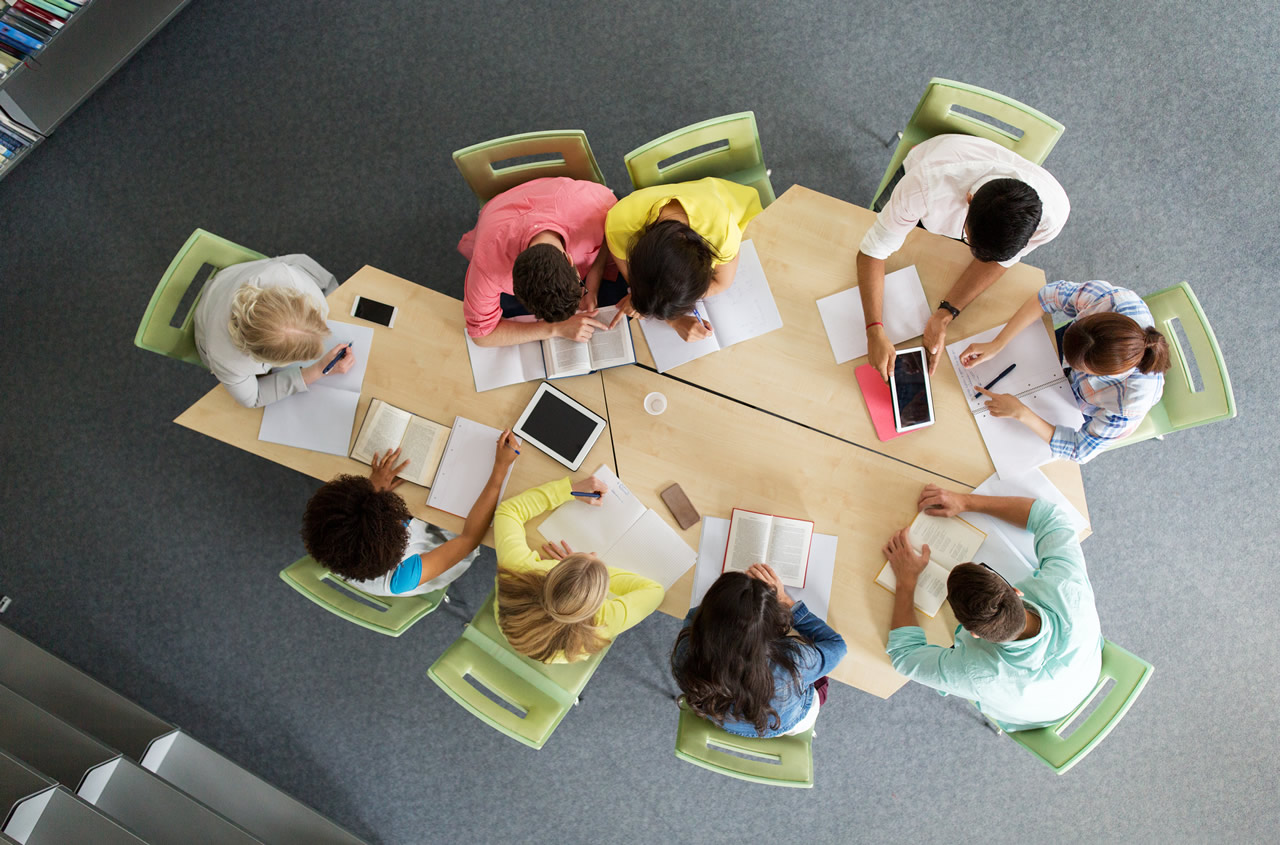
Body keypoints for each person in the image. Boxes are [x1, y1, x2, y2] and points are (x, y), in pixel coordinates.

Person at [883, 484, 1102, 731]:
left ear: (973, 633)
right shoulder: (1068, 590)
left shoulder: (978, 674)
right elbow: (1051, 517)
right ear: (1015, 592)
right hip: (1085, 673)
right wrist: (967, 502)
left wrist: (906, 581)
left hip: (1037, 716)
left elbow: (903, 656)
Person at [857, 134, 1071, 379]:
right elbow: (873, 250)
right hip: (929, 167)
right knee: (870, 220)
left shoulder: (1052, 216)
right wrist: (874, 329)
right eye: (968, 239)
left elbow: (1000, 262)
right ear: (968, 201)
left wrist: (945, 314)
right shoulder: (924, 185)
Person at [960, 280, 1170, 462]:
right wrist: (999, 342)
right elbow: (1047, 297)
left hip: (1080, 404)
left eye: (1076, 366)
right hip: (1071, 358)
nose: (1066, 364)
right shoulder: (1112, 300)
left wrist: (1023, 414)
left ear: (1102, 374)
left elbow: (1079, 450)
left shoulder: (1130, 404)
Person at [300, 430, 520, 596]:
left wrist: (372, 488)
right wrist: (500, 469)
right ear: (400, 528)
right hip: (443, 545)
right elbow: (469, 539)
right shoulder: (402, 577)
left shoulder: (325, 535)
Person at [493, 475, 664, 663]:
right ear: (599, 600)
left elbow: (508, 511)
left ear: (553, 572)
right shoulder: (603, 622)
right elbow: (655, 591)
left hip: (514, 626)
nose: (593, 554)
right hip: (543, 649)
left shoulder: (520, 570)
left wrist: (569, 490)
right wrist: (594, 572)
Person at [671, 565, 846, 738]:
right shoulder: (793, 661)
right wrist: (787, 602)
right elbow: (836, 646)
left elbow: (695, 616)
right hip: (782, 724)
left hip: (720, 717)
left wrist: (730, 601)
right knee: (821, 679)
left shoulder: (687, 649)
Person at [459, 177, 620, 348]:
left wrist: (592, 285)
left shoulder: (597, 206)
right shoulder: (488, 268)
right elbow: (481, 335)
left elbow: (609, 228)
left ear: (569, 259)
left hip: (566, 199)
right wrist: (554, 329)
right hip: (499, 216)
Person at [605, 177, 763, 341]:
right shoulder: (619, 224)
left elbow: (721, 283)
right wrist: (665, 312)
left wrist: (673, 317)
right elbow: (635, 281)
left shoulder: (722, 233)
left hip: (740, 211)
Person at [193, 254, 353, 408]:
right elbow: (253, 398)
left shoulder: (292, 279)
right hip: (209, 315)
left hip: (231, 280)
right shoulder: (227, 360)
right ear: (263, 358)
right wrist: (317, 370)